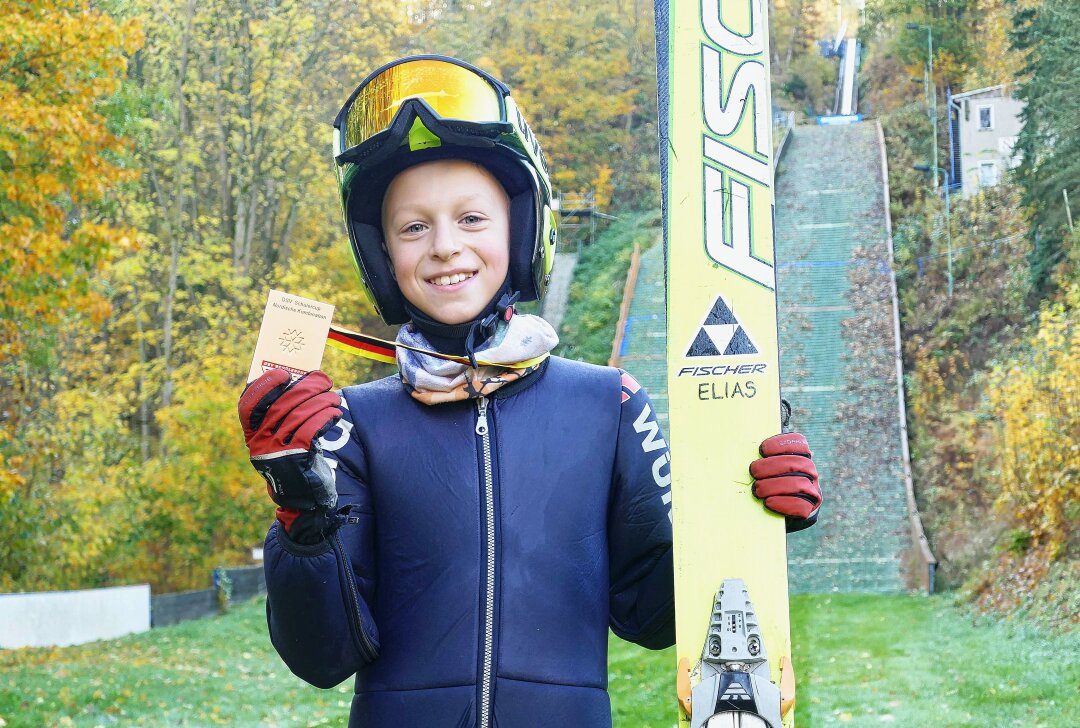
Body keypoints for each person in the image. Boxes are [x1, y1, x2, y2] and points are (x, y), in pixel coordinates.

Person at [237, 55, 822, 728]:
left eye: (472, 219)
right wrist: (300, 512)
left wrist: (750, 519)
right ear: (383, 255)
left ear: (521, 228)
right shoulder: (351, 424)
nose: (444, 246)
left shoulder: (608, 405)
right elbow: (322, 656)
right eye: (413, 227)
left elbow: (653, 617)